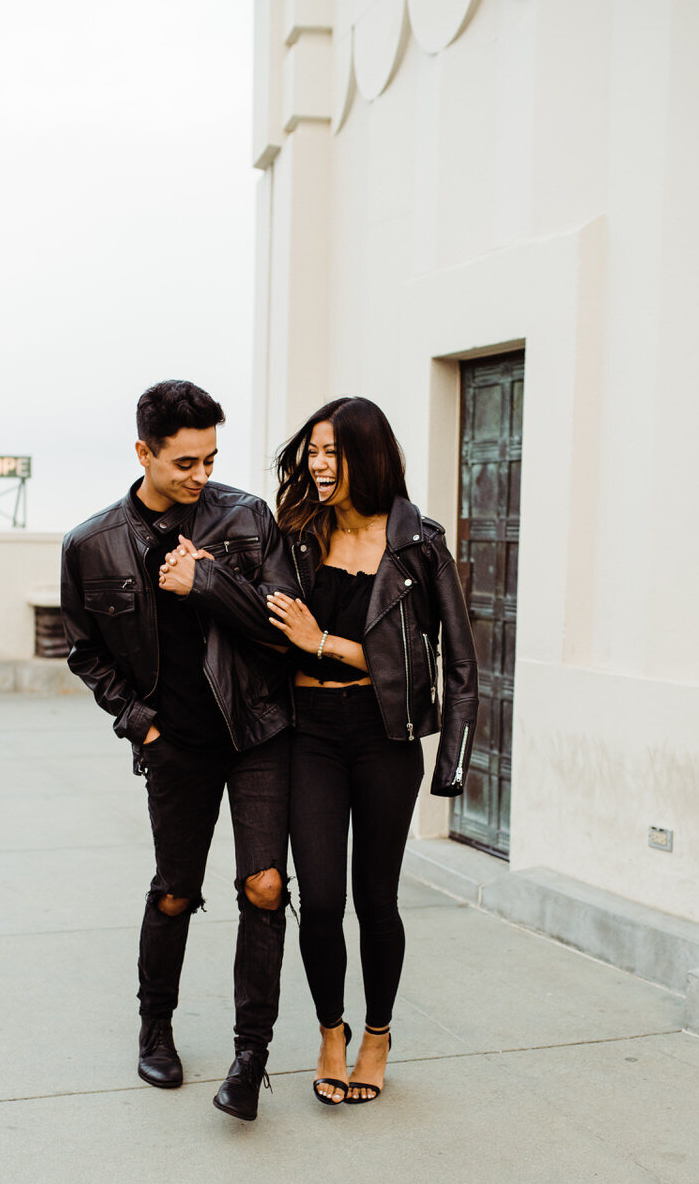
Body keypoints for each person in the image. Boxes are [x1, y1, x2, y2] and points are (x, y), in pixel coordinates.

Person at [61, 380, 298, 1121]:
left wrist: (208, 584)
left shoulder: (247, 518)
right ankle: (155, 1025)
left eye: (211, 459)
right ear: (145, 452)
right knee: (174, 890)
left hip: (258, 732)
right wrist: (142, 723)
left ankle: (250, 1055)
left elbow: (281, 627)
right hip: (175, 746)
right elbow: (84, 653)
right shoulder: (91, 544)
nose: (202, 476)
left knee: (264, 888)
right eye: (185, 462)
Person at [267, 397, 478, 1105]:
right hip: (309, 734)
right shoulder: (296, 533)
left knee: (374, 899)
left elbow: (452, 664)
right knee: (321, 900)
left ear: (369, 456)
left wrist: (450, 766)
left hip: (383, 738)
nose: (318, 465)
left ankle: (379, 1035)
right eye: (313, 451)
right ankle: (333, 1029)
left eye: (333, 452)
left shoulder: (418, 546)